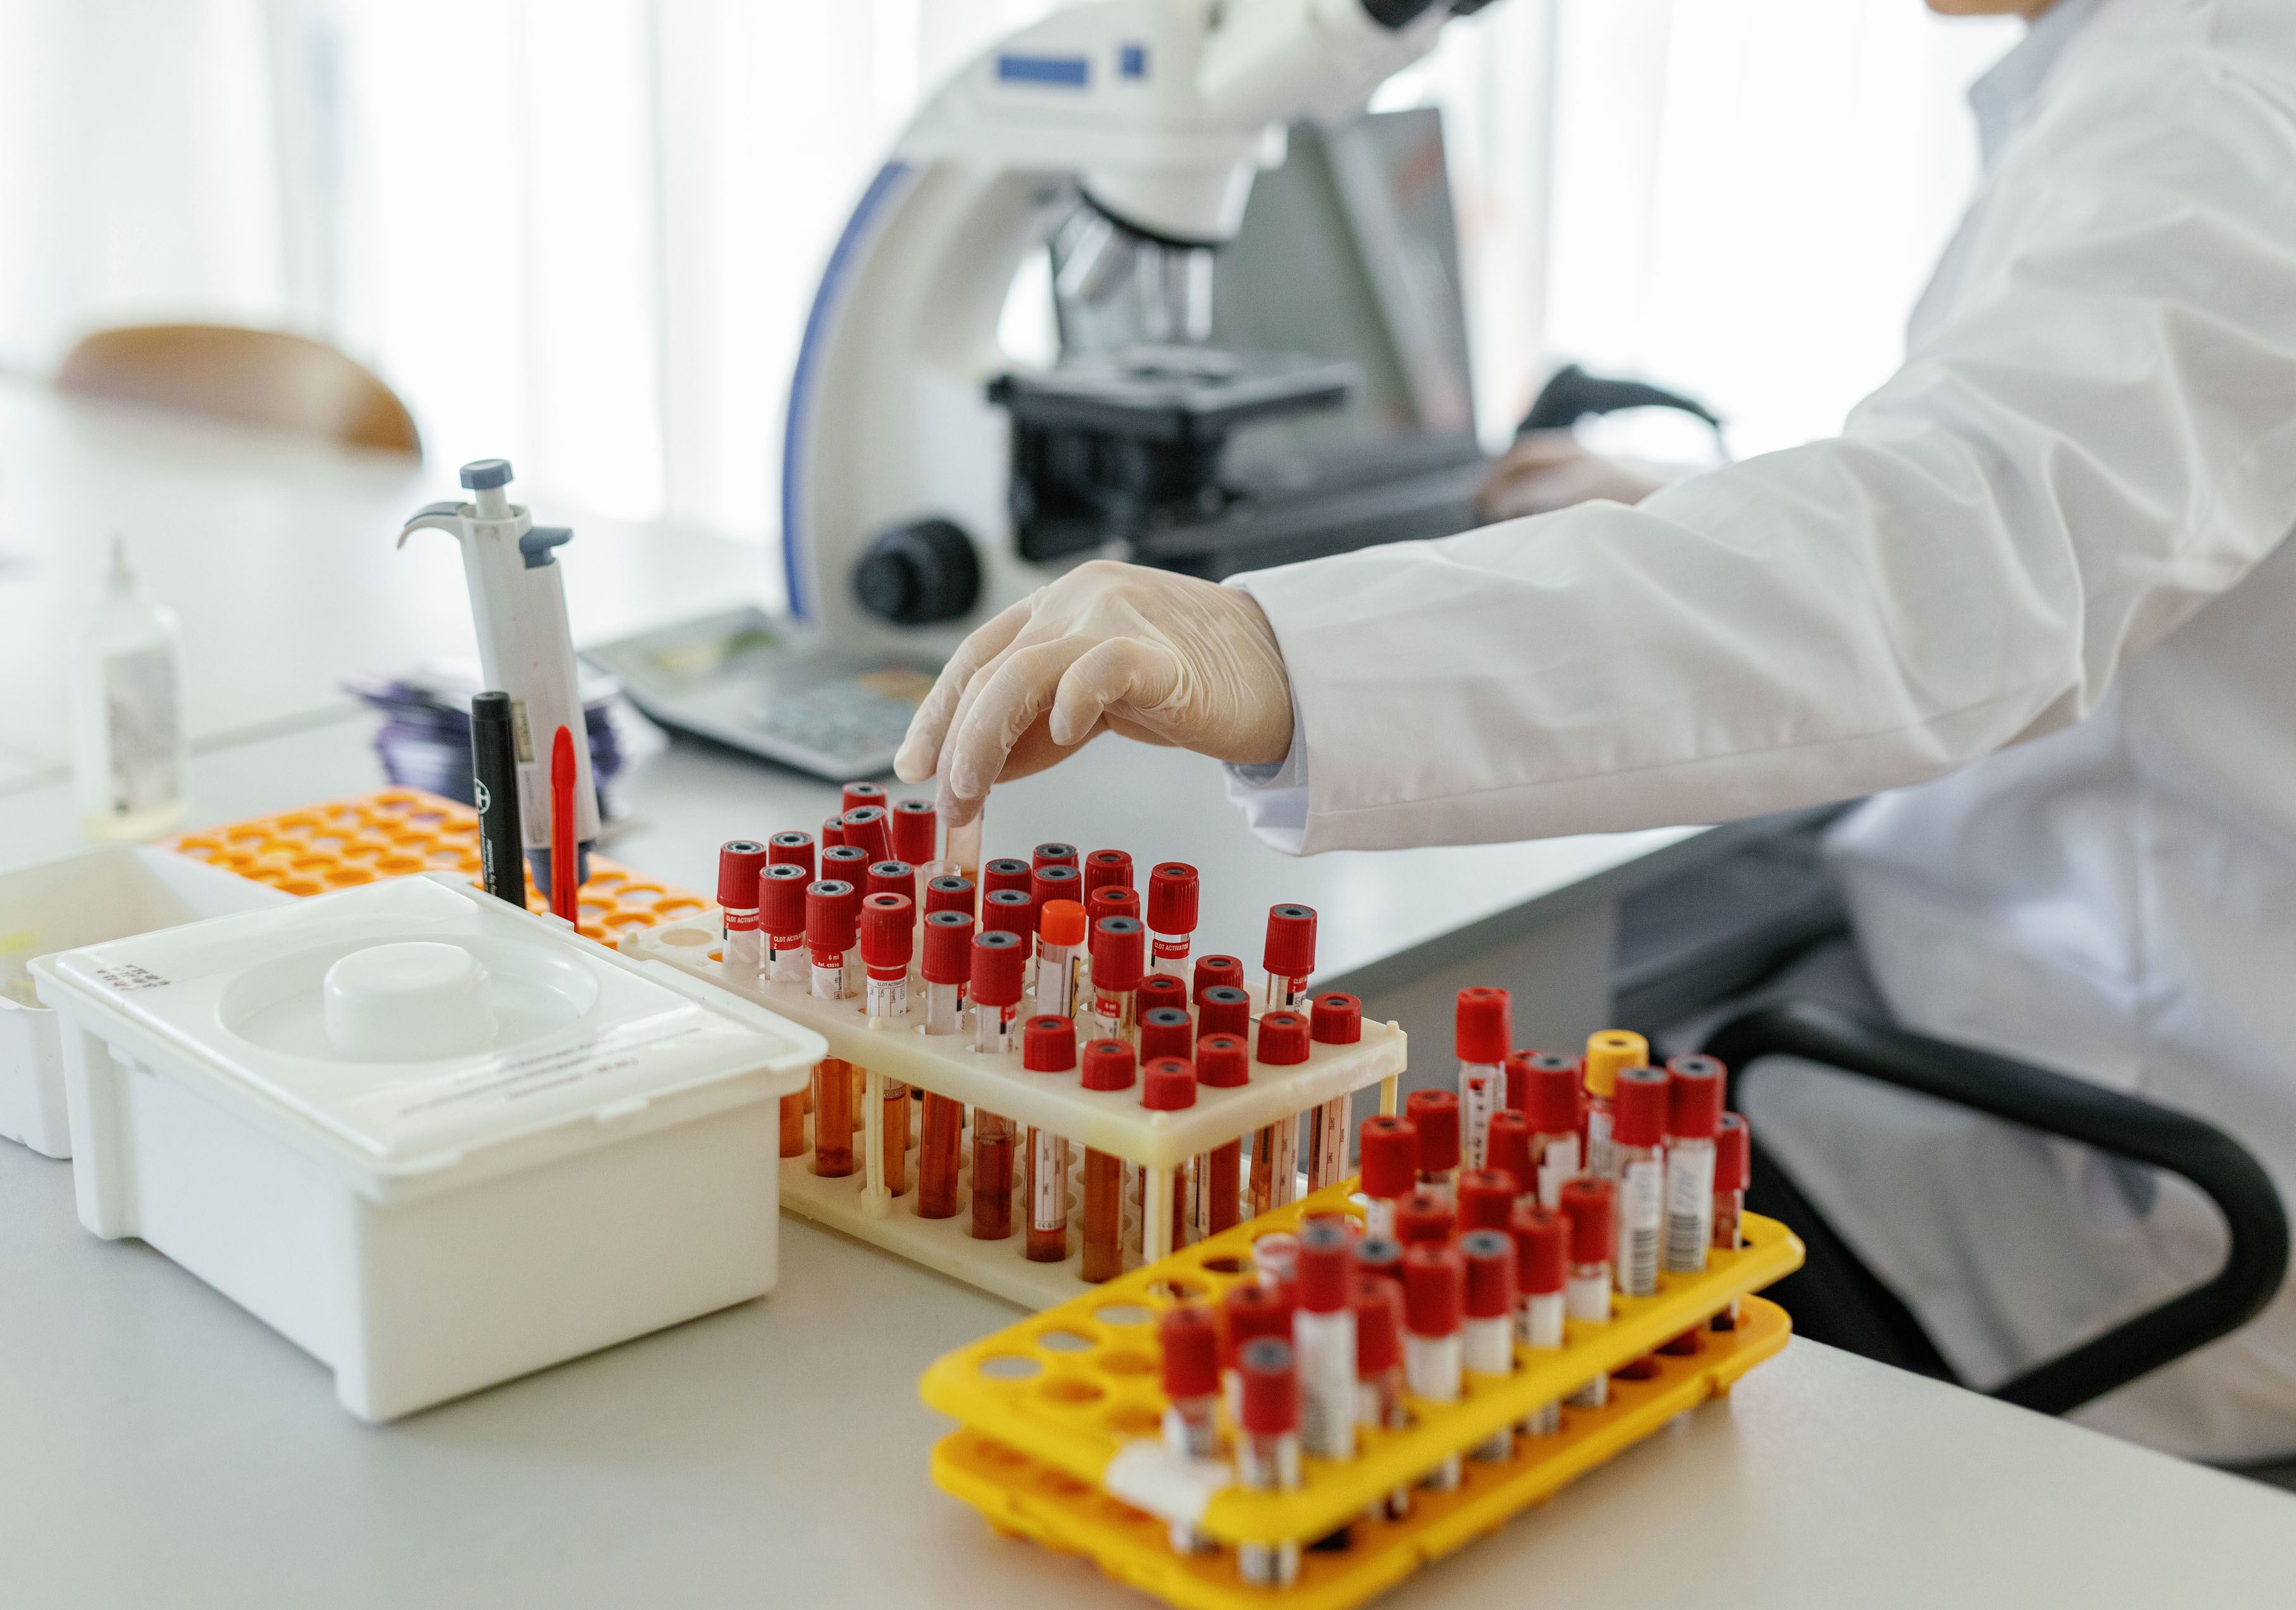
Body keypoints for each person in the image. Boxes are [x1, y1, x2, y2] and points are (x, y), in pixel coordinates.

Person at [894, 0, 2296, 1463]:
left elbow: (1966, 562)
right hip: (2070, 992)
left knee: (1427, 1267)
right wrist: (1696, 510)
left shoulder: (2215, 102)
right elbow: (2100, 499)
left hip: (2127, 1184)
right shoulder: (2165, 72)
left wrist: (1276, 648)